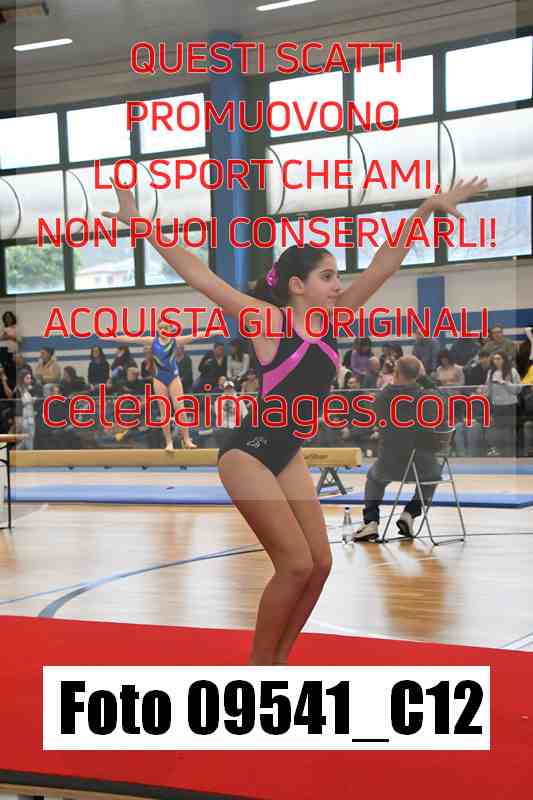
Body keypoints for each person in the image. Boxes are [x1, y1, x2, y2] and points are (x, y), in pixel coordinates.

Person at [104, 174, 487, 666]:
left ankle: (279, 663)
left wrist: (425, 211)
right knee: (294, 565)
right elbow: (201, 277)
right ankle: (259, 670)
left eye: (337, 276)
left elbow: (383, 265)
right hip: (248, 454)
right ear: (297, 285)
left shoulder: (334, 320)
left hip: (285, 453)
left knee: (320, 564)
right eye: (327, 277)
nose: (339, 285)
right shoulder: (269, 323)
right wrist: (140, 224)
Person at [355, 356, 446, 541]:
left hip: (390, 463)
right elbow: (443, 399)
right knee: (435, 475)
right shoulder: (429, 398)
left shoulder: (381, 398)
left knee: (373, 478)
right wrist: (425, 380)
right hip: (424, 466)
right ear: (418, 375)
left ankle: (370, 522)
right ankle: (410, 513)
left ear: (395, 373)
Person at [108, 318, 209, 450]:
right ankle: (169, 442)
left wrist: (215, 331)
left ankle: (187, 440)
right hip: (159, 378)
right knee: (164, 410)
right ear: (157, 330)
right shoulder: (152, 341)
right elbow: (132, 339)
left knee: (180, 408)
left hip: (173, 377)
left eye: (166, 328)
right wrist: (112, 337)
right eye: (160, 328)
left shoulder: (175, 341)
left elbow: (195, 336)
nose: (163, 331)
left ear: (170, 329)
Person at [480, 350, 522, 456]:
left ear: (504, 359)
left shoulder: (512, 371)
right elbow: (488, 390)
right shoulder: (491, 372)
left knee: (509, 430)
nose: (496, 361)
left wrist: (505, 383)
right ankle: (500, 451)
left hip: (510, 405)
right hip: (497, 405)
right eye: (494, 359)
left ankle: (511, 452)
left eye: (498, 358)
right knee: (498, 430)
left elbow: (517, 390)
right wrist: (481, 391)